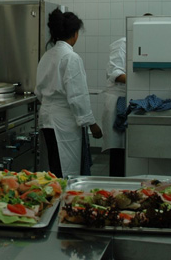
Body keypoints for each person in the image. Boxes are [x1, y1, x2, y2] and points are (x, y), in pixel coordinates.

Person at [35, 9, 102, 178]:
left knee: (53, 166)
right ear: (74, 34)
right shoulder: (71, 58)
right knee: (67, 170)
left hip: (47, 119)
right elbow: (77, 97)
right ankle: (64, 201)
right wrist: (92, 124)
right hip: (63, 123)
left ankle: (56, 200)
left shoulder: (47, 56)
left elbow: (39, 91)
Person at [97, 37, 127, 176]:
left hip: (131, 101)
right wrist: (140, 80)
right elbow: (115, 73)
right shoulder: (122, 44)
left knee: (129, 149)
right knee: (118, 152)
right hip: (117, 102)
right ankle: (116, 188)